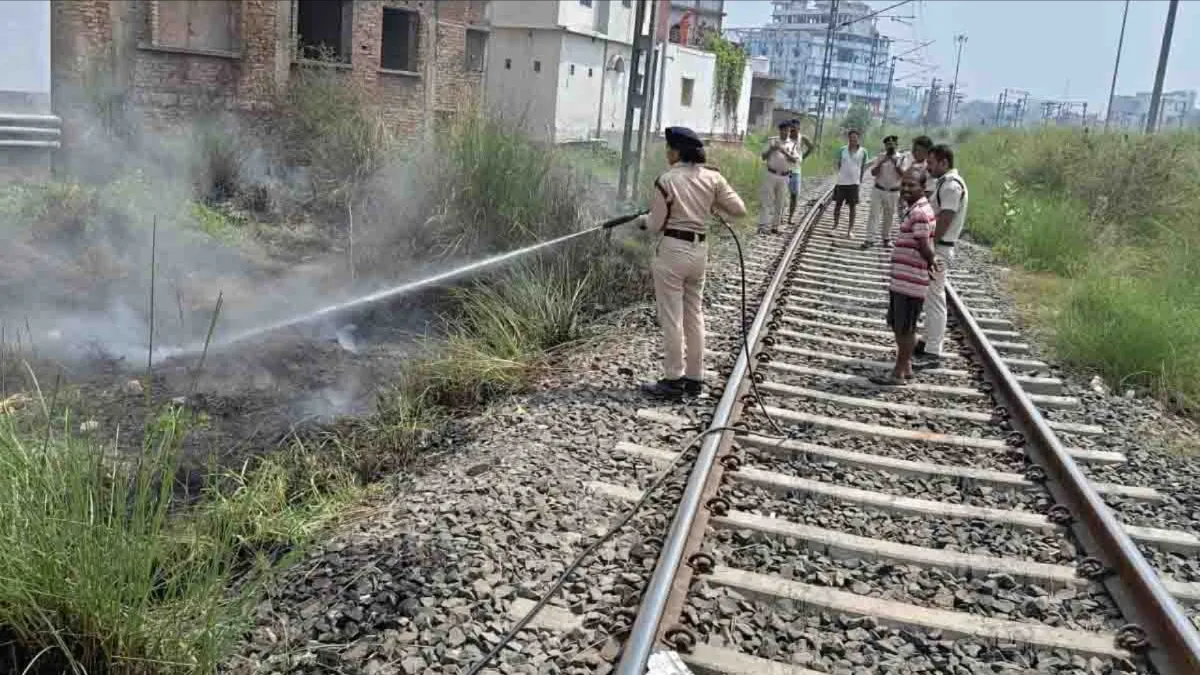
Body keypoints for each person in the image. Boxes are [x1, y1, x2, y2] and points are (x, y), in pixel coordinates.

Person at [640, 126, 748, 399]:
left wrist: (642, 222)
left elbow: (654, 225)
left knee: (672, 318)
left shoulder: (666, 180)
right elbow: (739, 210)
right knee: (694, 315)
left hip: (672, 252)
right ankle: (695, 378)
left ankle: (673, 380)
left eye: (668, 148)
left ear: (677, 151)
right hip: (699, 252)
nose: (667, 152)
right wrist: (712, 201)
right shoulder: (713, 178)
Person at [870, 167, 941, 386]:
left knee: (905, 327)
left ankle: (898, 373)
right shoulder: (917, 209)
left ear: (923, 187)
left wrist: (932, 264)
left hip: (910, 281)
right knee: (901, 324)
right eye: (905, 185)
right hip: (905, 279)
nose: (906, 189)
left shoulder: (919, 213)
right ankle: (907, 367)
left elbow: (924, 245)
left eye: (912, 185)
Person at [914, 144, 969, 369]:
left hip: (940, 249)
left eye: (932, 163)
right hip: (938, 247)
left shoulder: (952, 187)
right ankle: (927, 341)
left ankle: (933, 351)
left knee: (935, 298)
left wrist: (929, 248)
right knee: (929, 296)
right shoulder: (945, 184)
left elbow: (945, 219)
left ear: (944, 162)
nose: (928, 167)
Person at [862, 134, 903, 249]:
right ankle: (869, 239)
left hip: (893, 191)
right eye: (888, 144)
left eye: (892, 144)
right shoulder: (881, 156)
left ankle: (886, 238)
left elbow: (904, 175)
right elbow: (873, 173)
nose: (890, 146)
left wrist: (896, 164)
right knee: (873, 215)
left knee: (889, 215)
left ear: (896, 145)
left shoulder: (902, 158)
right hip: (878, 189)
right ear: (885, 146)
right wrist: (881, 162)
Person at [758, 121, 799, 234]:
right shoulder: (772, 141)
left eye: (788, 130)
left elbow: (795, 160)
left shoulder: (792, 144)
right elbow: (763, 156)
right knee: (766, 200)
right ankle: (763, 225)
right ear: (780, 130)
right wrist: (772, 149)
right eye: (784, 130)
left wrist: (783, 151)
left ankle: (775, 226)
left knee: (780, 202)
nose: (786, 132)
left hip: (784, 176)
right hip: (770, 174)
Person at [832, 129, 868, 237]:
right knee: (838, 205)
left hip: (854, 183)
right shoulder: (842, 150)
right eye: (851, 138)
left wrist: (860, 181)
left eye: (855, 138)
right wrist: (841, 175)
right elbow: (839, 164)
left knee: (853, 207)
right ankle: (835, 226)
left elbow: (863, 167)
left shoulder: (863, 151)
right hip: (841, 182)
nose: (853, 140)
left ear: (858, 139)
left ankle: (850, 230)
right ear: (849, 138)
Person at [787, 119, 814, 221]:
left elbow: (811, 147)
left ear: (799, 129)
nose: (793, 131)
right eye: (791, 129)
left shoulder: (802, 138)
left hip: (796, 171)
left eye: (795, 129)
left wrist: (803, 157)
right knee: (781, 195)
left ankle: (790, 217)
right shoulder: (786, 138)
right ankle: (779, 217)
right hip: (785, 170)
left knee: (794, 195)